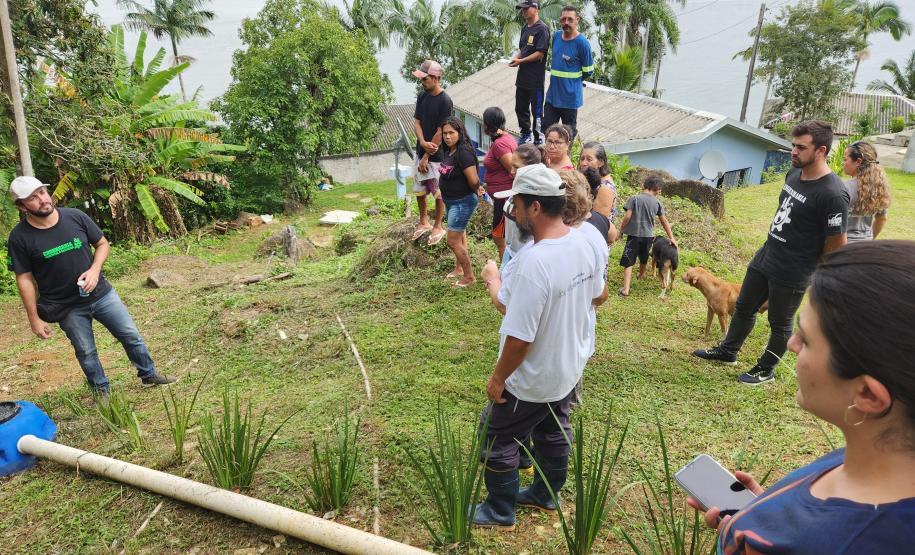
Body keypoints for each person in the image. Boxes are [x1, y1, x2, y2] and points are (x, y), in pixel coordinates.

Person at [688, 240, 915, 554]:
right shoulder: (869, 456)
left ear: (867, 395)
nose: (791, 344)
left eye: (805, 339)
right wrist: (768, 510)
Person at [473, 164, 606, 530]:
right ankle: (546, 495)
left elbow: (520, 339)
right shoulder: (585, 242)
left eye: (516, 205)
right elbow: (600, 294)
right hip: (567, 369)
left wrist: (498, 379)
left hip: (530, 378)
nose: (513, 212)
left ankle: (499, 510)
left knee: (496, 435)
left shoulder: (533, 263)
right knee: (553, 429)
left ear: (534, 207)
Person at [693, 121, 849, 385]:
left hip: (793, 269)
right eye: (793, 145)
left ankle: (766, 369)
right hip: (767, 254)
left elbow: (837, 244)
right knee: (744, 306)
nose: (793, 152)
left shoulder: (833, 194)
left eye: (801, 147)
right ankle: (728, 351)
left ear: (821, 150)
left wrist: (816, 276)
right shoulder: (794, 173)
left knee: (779, 322)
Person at [6, 176, 176, 394]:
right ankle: (101, 389)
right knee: (86, 351)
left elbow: (102, 243)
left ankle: (148, 373)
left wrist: (95, 269)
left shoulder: (75, 216)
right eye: (32, 198)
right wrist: (34, 318)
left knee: (130, 335)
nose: (42, 199)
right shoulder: (19, 238)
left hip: (101, 294)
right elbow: (24, 278)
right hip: (65, 305)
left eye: (42, 192)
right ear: (22, 206)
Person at [411, 59, 452, 246]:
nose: (422, 82)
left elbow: (441, 130)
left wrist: (427, 156)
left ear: (436, 78)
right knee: (419, 188)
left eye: (425, 79)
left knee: (438, 191)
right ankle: (423, 221)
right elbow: (417, 122)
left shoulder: (445, 101)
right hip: (421, 150)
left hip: (437, 156)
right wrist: (421, 143)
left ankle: (438, 225)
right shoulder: (422, 96)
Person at [438, 117, 481, 288]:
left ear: (460, 133)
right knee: (459, 234)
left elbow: (473, 179)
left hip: (462, 202)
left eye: (451, 133)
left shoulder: (463, 153)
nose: (447, 137)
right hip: (450, 200)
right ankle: (460, 268)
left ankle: (469, 276)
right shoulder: (449, 150)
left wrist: (478, 189)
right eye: (445, 133)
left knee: (453, 240)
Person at [617, 175, 677, 297]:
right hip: (648, 236)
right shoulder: (657, 202)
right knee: (644, 257)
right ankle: (641, 275)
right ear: (658, 189)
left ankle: (626, 289)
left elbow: (627, 217)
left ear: (644, 185)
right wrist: (671, 237)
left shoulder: (634, 198)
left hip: (633, 235)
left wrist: (621, 230)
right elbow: (664, 221)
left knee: (628, 260)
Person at [540, 6, 593, 139]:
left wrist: (573, 82)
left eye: (570, 19)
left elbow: (588, 71)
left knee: (568, 135)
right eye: (563, 19)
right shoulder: (556, 36)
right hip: (552, 96)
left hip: (570, 99)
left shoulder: (582, 43)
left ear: (577, 20)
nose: (566, 22)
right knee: (547, 130)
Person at [510, 0, 550, 145]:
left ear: (536, 8)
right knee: (520, 108)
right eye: (522, 9)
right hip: (522, 78)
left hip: (535, 80)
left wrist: (521, 61)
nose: (523, 11)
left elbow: (540, 54)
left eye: (526, 8)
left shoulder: (542, 29)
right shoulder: (525, 28)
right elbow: (523, 49)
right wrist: (516, 58)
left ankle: (538, 138)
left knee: (537, 112)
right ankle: (525, 134)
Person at [482, 106, 517, 260]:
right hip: (501, 196)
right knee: (501, 236)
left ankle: (505, 269)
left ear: (488, 124)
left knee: (500, 237)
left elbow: (513, 169)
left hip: (504, 197)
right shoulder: (504, 138)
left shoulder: (500, 144)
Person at [842, 140, 890, 242]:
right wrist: (869, 239)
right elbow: (882, 219)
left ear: (858, 161)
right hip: (866, 246)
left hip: (844, 246)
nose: (843, 163)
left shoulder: (845, 189)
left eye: (845, 159)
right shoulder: (879, 187)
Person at [578, 141, 617, 220]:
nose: (584, 163)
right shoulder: (588, 180)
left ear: (601, 162)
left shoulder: (605, 188)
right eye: (582, 159)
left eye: (589, 159)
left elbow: (598, 221)